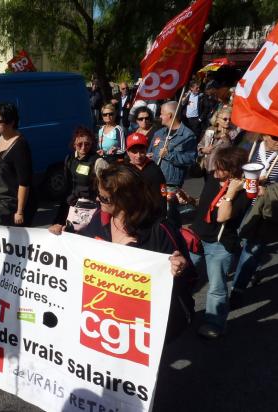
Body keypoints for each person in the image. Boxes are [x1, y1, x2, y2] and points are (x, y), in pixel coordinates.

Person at [74, 164, 195, 341]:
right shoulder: (99, 218)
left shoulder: (159, 230)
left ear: (125, 199)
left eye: (104, 198)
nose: (98, 200)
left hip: (146, 325)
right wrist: (62, 236)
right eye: (98, 195)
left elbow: (188, 278)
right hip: (107, 317)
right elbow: (82, 247)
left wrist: (179, 269)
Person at [190, 147, 250, 338]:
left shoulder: (245, 192)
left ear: (233, 170)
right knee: (185, 277)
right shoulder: (212, 178)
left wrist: (231, 192)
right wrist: (189, 199)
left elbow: (222, 217)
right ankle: (182, 311)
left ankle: (214, 323)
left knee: (216, 288)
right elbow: (204, 204)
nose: (214, 172)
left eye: (220, 169)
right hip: (197, 237)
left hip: (219, 244)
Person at [230, 134, 278, 302]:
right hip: (242, 202)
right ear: (265, 135)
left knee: (253, 247)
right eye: (275, 137)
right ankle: (253, 268)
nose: (277, 141)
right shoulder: (252, 146)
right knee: (238, 240)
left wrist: (269, 189)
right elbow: (233, 166)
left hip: (265, 209)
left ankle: (237, 289)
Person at [0, 103, 37, 226]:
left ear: (11, 122)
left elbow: (24, 182)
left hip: (19, 204)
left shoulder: (20, 146)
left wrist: (20, 211)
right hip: (5, 200)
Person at [48, 127, 98, 235]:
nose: (83, 147)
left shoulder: (97, 161)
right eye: (80, 144)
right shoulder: (69, 159)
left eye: (87, 144)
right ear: (74, 144)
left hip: (88, 208)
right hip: (70, 204)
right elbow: (67, 187)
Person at [126, 132, 166, 213]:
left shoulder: (154, 170)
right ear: (127, 152)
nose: (138, 155)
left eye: (141, 151)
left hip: (151, 212)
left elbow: (163, 192)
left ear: (146, 150)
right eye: (134, 152)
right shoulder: (125, 169)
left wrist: (162, 212)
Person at [197, 106, 234, 177]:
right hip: (207, 167)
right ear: (218, 120)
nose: (228, 121)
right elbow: (200, 144)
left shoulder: (233, 133)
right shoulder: (210, 130)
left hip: (221, 170)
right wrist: (203, 150)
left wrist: (226, 141)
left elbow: (233, 151)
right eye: (225, 119)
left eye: (230, 119)